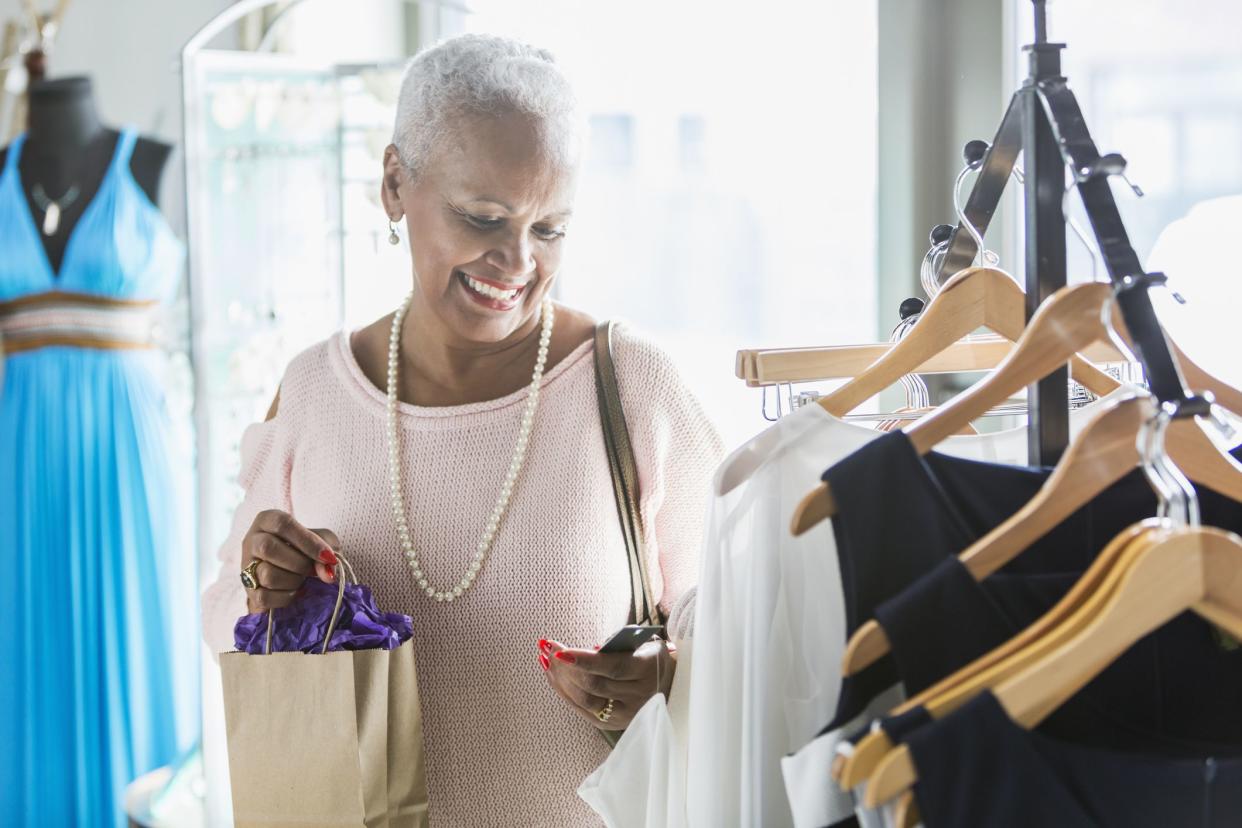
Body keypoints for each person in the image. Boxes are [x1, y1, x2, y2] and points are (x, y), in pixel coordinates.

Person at [202, 33, 722, 825]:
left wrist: (675, 675)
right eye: (483, 217)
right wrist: (258, 581)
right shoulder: (315, 393)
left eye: (549, 229)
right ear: (394, 184)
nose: (517, 261)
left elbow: (742, 629)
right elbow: (224, 628)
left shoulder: (632, 387)